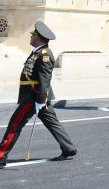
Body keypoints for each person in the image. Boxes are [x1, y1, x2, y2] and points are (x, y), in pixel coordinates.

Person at [0, 21, 77, 168]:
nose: (30, 38)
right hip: (36, 96)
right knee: (52, 123)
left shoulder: (45, 54)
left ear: (38, 38)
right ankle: (69, 148)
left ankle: (1, 155)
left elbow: (44, 78)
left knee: (15, 125)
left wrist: (40, 99)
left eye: (33, 35)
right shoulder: (37, 52)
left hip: (34, 97)